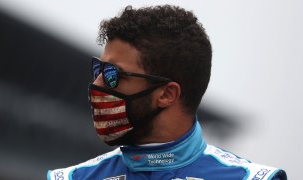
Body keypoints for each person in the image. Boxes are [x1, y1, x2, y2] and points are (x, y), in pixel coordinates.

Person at [47, 5, 287, 180]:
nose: (97, 84)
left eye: (113, 74)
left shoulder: (251, 178)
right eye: (98, 69)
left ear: (167, 94)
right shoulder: (70, 178)